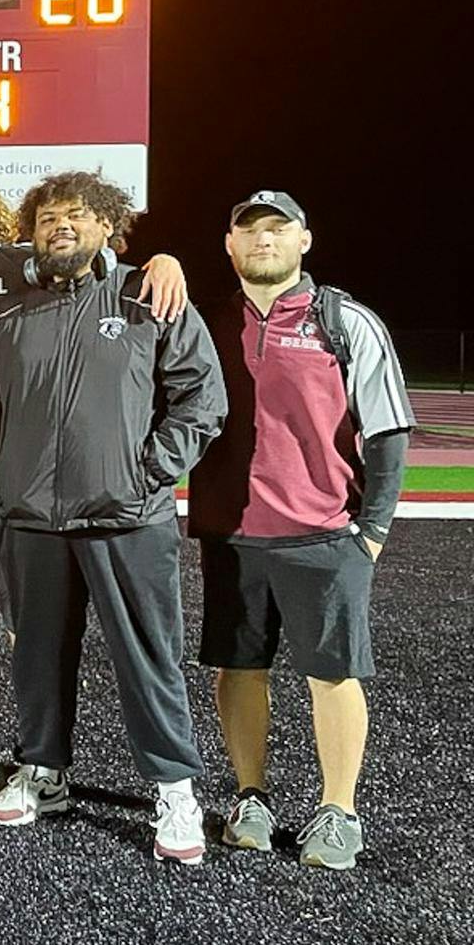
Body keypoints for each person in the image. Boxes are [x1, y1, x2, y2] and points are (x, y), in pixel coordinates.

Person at [0, 171, 226, 865]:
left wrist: (149, 470)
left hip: (127, 518)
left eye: (76, 216)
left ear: (109, 225)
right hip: (33, 519)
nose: (60, 228)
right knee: (37, 655)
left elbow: (201, 395)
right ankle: (43, 768)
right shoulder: (7, 317)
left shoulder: (148, 294)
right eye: (48, 219)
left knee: (149, 657)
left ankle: (174, 786)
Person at [0, 181, 186, 736]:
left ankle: (34, 741)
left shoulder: (20, 263)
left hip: (5, 453)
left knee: (25, 605)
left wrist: (163, 260)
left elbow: (95, 260)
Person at [188, 190, 413, 870]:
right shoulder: (206, 323)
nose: (262, 240)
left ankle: (338, 810)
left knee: (334, 675)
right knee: (238, 669)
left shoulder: (344, 320)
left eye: (277, 230)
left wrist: (370, 533)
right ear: (229, 245)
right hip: (231, 531)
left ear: (304, 241)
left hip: (323, 532)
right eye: (249, 230)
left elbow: (389, 431)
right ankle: (250, 797)